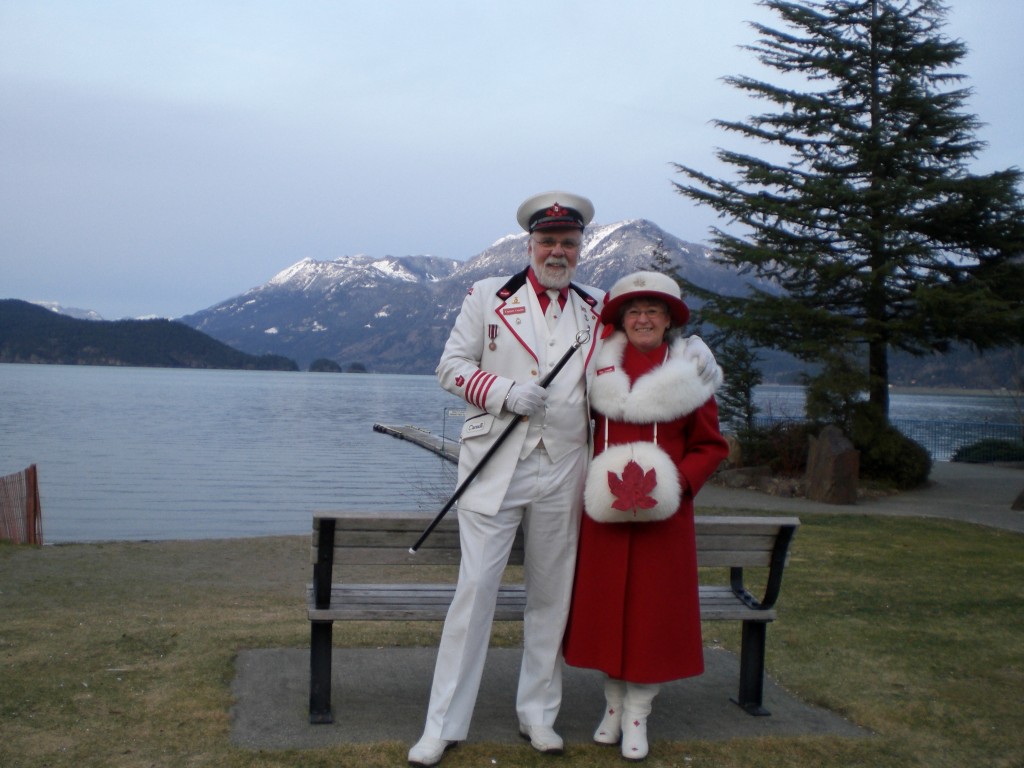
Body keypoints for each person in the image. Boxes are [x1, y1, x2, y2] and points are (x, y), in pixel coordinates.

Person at [408, 194, 719, 767]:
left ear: (580, 249)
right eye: (548, 241)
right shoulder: (487, 298)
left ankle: (539, 716)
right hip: (494, 469)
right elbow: (449, 368)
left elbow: (647, 341)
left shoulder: (597, 305)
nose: (558, 251)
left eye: (569, 243)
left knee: (551, 600)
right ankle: (442, 724)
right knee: (474, 595)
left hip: (565, 471)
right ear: (530, 244)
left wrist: (694, 350)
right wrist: (502, 392)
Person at [562, 271, 730, 762]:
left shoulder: (691, 372)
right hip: (605, 512)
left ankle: (639, 713)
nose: (642, 319)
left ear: (667, 321)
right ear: (620, 319)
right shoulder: (595, 366)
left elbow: (710, 446)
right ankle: (612, 706)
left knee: (652, 615)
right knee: (607, 611)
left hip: (664, 517)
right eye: (634, 311)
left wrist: (675, 484)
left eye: (653, 312)